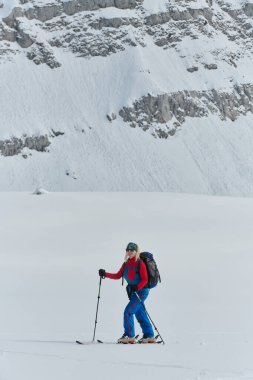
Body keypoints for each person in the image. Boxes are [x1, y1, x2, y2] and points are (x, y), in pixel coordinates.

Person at [99, 242, 155, 344]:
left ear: (136, 251)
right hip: (134, 292)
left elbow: (145, 279)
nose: (129, 252)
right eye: (128, 250)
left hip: (141, 291)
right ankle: (149, 335)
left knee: (128, 312)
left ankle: (129, 336)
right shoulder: (126, 264)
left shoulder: (140, 263)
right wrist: (105, 274)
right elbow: (117, 276)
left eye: (132, 250)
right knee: (139, 312)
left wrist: (137, 287)